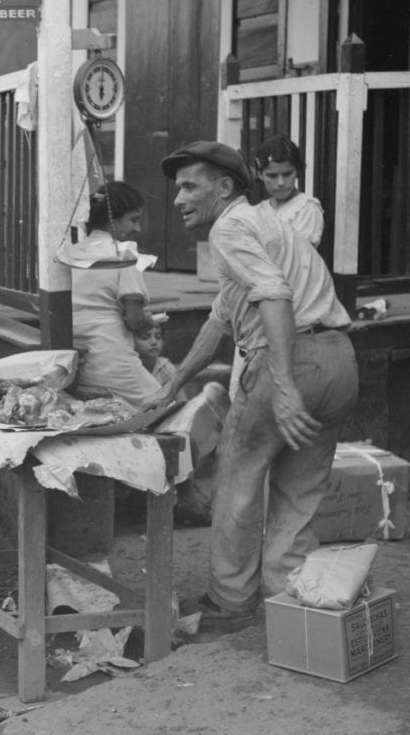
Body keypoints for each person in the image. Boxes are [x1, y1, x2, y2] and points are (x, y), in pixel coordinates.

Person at [152, 140, 358, 631]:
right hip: (338, 360)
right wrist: (177, 379)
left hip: (293, 362)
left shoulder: (230, 227)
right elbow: (222, 318)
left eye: (189, 187)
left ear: (224, 187)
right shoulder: (264, 223)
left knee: (238, 478)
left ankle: (230, 599)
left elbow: (273, 294)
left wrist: (284, 384)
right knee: (301, 489)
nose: (178, 199)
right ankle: (289, 599)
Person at [61, 182, 161, 406]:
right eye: (133, 220)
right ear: (112, 220)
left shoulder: (73, 253)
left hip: (77, 366)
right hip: (113, 362)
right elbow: (135, 321)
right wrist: (149, 318)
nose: (138, 229)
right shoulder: (123, 257)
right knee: (165, 405)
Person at [252, 135, 323, 247]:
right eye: (272, 176)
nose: (281, 183)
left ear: (297, 171)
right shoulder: (259, 211)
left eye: (287, 174)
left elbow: (298, 256)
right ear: (260, 174)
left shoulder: (305, 209)